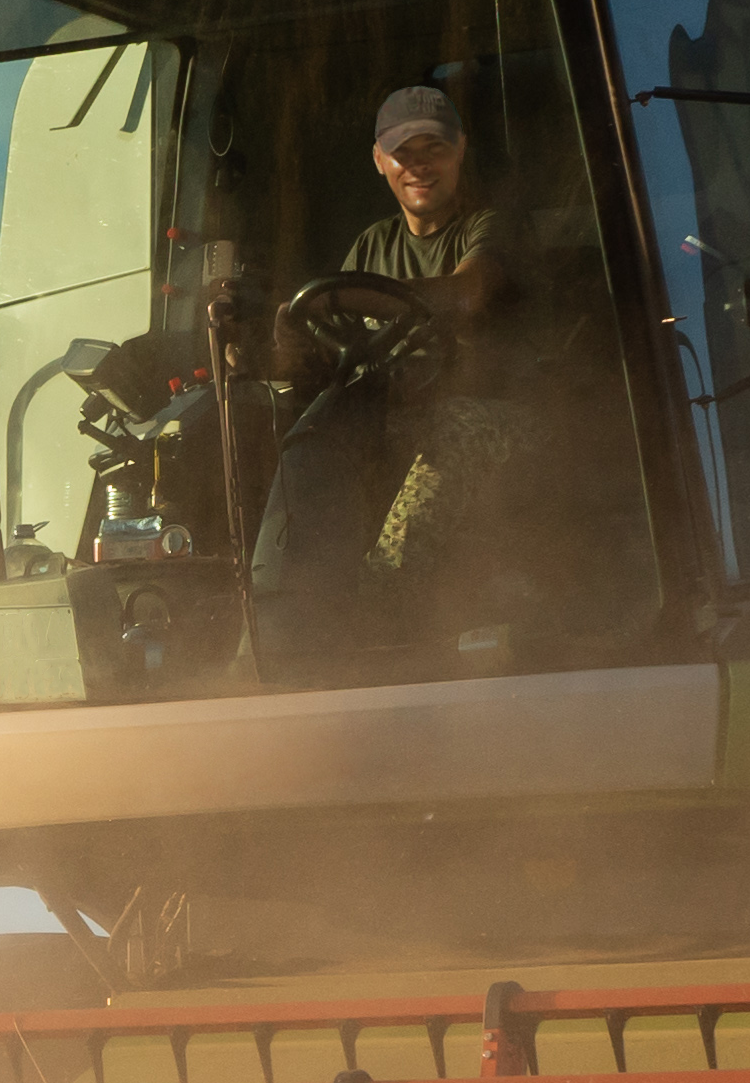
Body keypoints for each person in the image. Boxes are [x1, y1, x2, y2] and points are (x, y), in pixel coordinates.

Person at [249, 78, 637, 656]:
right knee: (304, 432)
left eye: (435, 149)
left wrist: (339, 298)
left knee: (451, 425)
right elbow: (336, 357)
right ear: (380, 161)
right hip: (402, 419)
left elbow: (467, 296)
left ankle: (382, 624)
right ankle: (270, 627)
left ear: (460, 152)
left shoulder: (491, 227)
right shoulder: (372, 245)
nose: (420, 166)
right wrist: (286, 339)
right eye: (404, 153)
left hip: (504, 419)